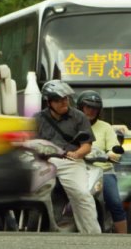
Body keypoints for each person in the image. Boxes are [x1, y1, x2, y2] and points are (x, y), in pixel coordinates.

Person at [32, 80, 101, 234]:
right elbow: (30, 142)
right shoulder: (37, 118)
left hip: (70, 161)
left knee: (82, 194)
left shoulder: (79, 116)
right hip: (43, 161)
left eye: (66, 98)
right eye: (59, 100)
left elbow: (86, 145)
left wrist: (76, 154)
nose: (64, 102)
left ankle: (94, 236)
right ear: (49, 102)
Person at [76, 90, 127, 234]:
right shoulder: (72, 123)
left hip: (103, 170)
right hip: (77, 169)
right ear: (80, 107)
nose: (91, 111)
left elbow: (114, 147)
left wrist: (113, 153)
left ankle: (126, 240)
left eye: (95, 108)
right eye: (88, 107)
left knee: (115, 203)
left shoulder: (106, 127)